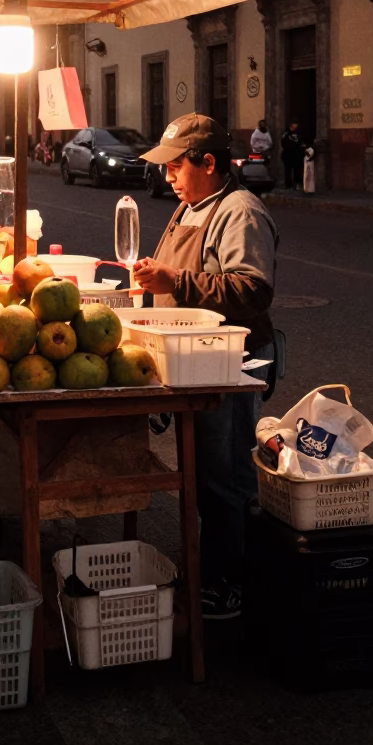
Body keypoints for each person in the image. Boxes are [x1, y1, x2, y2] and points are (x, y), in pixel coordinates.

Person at [132, 113, 278, 620]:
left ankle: (229, 581)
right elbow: (172, 277)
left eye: (175, 168)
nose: (167, 178)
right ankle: (208, 566)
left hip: (229, 364)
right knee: (200, 472)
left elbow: (252, 289)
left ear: (208, 162)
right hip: (190, 360)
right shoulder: (190, 206)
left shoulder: (240, 212)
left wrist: (175, 280)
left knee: (223, 478)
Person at [280, 121, 304, 190]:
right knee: (288, 171)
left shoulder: (299, 133)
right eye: (294, 123)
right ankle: (288, 185)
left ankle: (297, 184)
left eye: (296, 123)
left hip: (297, 155)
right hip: (288, 155)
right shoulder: (286, 133)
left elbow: (301, 142)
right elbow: (283, 143)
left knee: (297, 170)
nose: (295, 125)